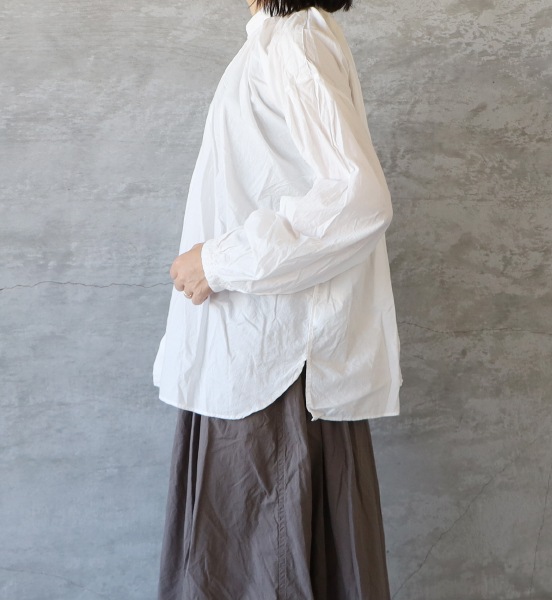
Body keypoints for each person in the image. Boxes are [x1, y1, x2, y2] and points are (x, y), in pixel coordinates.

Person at [153, 0, 402, 598]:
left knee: (260, 572)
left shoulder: (295, 41)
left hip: (272, 378)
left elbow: (358, 198)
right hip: (255, 364)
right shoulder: (277, 39)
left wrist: (218, 261)